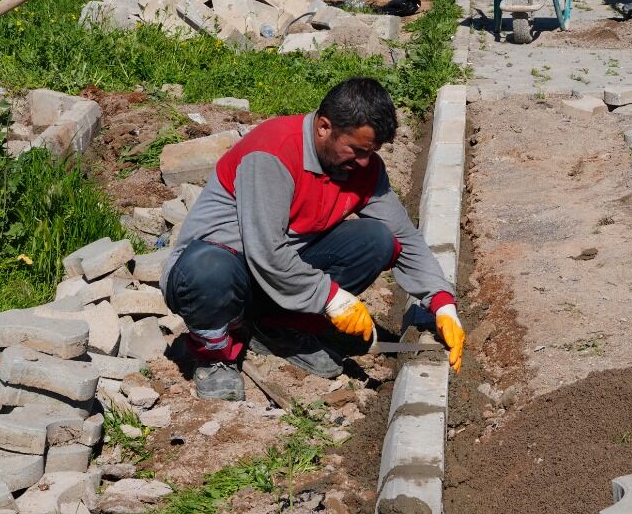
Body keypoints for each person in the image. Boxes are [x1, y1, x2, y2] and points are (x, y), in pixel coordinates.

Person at [160, 77, 464, 401]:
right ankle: (215, 355)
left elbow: (405, 237)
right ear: (324, 127)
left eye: (371, 152)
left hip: (276, 273)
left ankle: (278, 327)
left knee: (379, 239)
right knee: (208, 271)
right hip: (222, 266)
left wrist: (442, 303)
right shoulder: (274, 152)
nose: (364, 162)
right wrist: (333, 298)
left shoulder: (362, 169)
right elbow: (267, 251)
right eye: (357, 149)